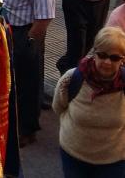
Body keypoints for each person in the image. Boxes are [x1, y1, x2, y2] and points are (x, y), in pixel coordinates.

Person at [0, 0, 55, 145]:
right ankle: (10, 121)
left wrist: (29, 44)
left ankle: (26, 129)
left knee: (26, 85)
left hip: (25, 35)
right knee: (10, 83)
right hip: (7, 32)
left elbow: (44, 17)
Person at [53, 26, 125, 177]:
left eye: (114, 58)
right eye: (102, 55)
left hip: (114, 161)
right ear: (94, 54)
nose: (107, 62)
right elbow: (58, 107)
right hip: (74, 156)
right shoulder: (72, 79)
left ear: (122, 60)